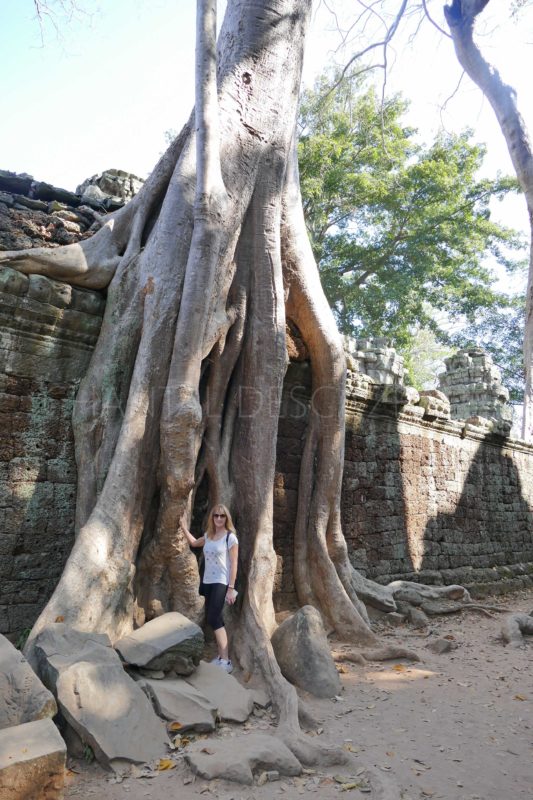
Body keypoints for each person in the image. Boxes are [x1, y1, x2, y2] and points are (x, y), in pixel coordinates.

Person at [182, 504, 238, 673]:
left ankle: (226, 661)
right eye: (216, 516)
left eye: (222, 516)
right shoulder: (209, 536)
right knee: (215, 618)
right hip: (207, 582)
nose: (219, 518)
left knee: (214, 618)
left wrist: (231, 587)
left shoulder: (230, 538)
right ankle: (221, 657)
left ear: (226, 518)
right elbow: (193, 542)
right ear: (212, 518)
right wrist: (183, 526)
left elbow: (234, 563)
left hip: (221, 582)